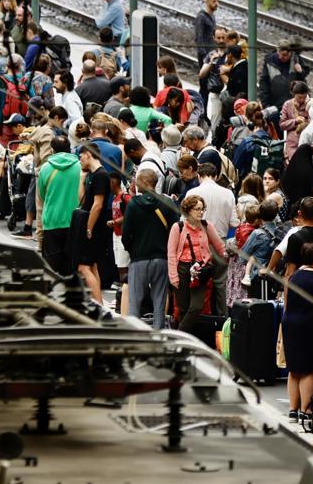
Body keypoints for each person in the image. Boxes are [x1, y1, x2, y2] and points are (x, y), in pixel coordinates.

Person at [121, 169, 180, 329]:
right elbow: (175, 230)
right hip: (161, 258)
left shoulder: (133, 204)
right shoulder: (167, 203)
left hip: (139, 258)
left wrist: (132, 250)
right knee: (159, 302)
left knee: (135, 302)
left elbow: (126, 235)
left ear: (144, 182)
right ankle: (158, 336)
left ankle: (135, 337)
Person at [281, 242, 313, 430]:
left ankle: (293, 410)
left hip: (290, 322)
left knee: (294, 368)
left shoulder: (295, 276)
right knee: (310, 368)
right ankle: (305, 409)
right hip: (308, 325)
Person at [166, 193, 226, 346]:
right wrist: (173, 276)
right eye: (197, 209)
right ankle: (188, 343)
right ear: (188, 210)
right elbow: (171, 253)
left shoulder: (206, 226)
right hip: (183, 269)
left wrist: (227, 255)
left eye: (202, 209)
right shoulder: (178, 227)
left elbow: (219, 246)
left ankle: (178, 337)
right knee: (183, 308)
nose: (200, 212)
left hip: (201, 270)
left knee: (197, 306)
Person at [76, 141, 118, 306]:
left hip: (93, 226)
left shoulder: (101, 175)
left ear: (88, 154)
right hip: (90, 223)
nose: (80, 160)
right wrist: (82, 178)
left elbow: (98, 204)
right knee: (91, 265)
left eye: (81, 157)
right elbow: (83, 200)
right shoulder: (93, 175)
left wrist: (88, 228)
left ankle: (98, 303)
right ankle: (97, 302)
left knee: (83, 267)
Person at [35, 136, 83, 281]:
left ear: (52, 150)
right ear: (70, 149)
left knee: (51, 266)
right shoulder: (80, 166)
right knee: (71, 263)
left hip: (52, 220)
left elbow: (41, 196)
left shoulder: (45, 168)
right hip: (74, 221)